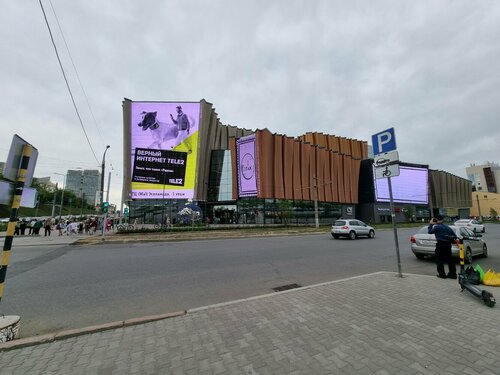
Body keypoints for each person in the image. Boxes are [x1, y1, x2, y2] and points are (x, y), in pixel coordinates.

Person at [428, 215, 457, 279]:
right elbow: (454, 236)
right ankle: (453, 274)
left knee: (439, 259)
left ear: (436, 220)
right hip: (448, 245)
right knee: (450, 259)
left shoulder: (437, 227)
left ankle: (442, 274)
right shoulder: (447, 227)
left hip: (440, 245)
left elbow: (429, 232)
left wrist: (430, 224)